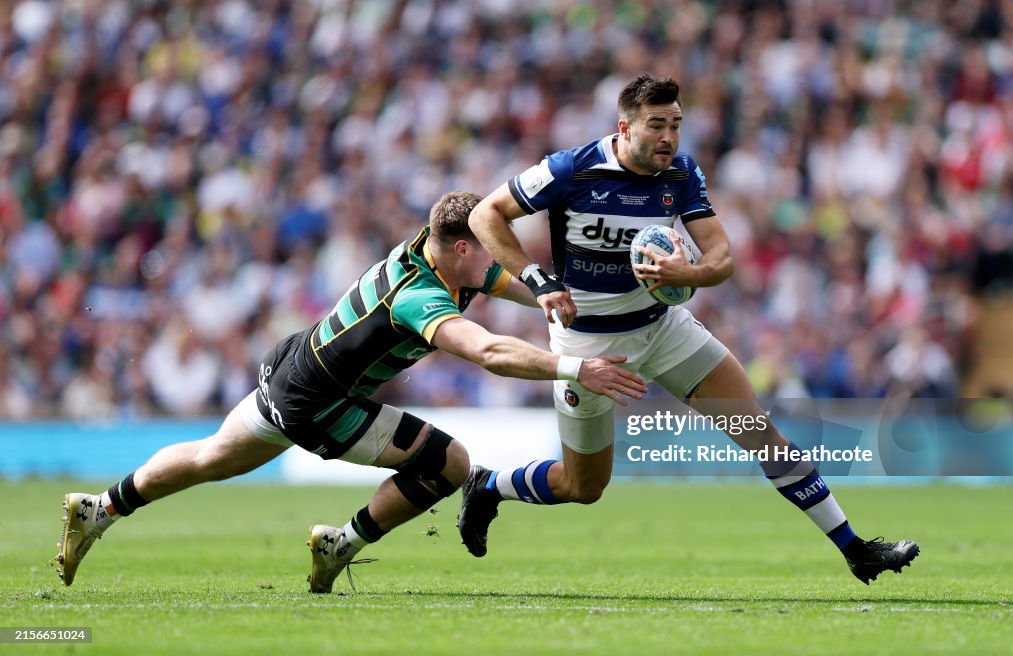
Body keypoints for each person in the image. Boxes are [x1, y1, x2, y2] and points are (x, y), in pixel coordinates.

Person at [54, 191, 647, 593]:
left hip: (293, 363)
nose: (500, 259)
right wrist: (575, 368)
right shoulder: (418, 296)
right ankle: (342, 543)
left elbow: (513, 285)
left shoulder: (441, 251)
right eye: (489, 246)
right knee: (449, 463)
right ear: (464, 247)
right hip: (320, 401)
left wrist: (556, 296)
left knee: (212, 456)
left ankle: (99, 508)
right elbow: (489, 352)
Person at [459, 74, 920, 585]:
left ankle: (856, 548)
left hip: (663, 329)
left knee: (761, 434)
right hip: (589, 345)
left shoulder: (681, 173)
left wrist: (690, 274)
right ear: (625, 128)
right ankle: (489, 486)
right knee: (583, 486)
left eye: (676, 125)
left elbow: (721, 256)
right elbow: (485, 215)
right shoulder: (571, 168)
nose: (669, 137)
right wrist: (537, 280)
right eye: (656, 125)